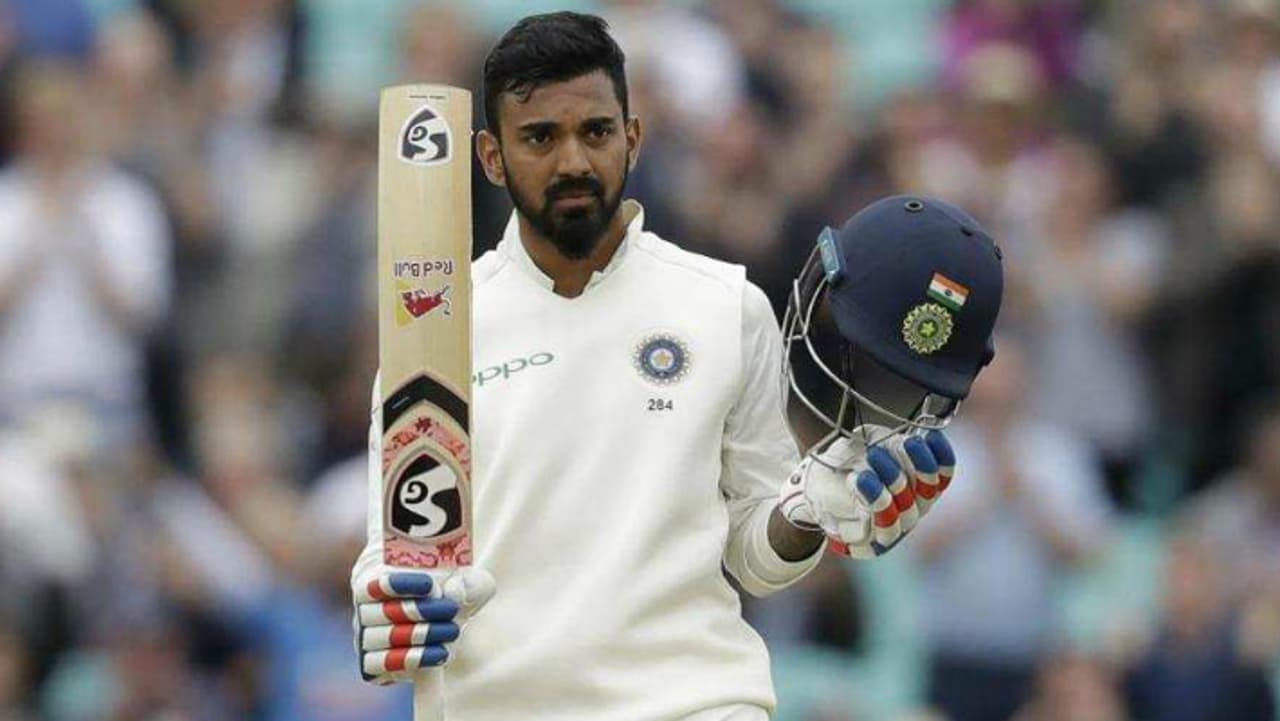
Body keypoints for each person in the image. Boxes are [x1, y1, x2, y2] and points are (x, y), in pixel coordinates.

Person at [350, 12, 998, 721]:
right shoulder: (438, 327)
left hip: (694, 702)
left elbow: (757, 555)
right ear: (491, 156)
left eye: (596, 132)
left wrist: (810, 510)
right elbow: (401, 551)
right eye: (540, 137)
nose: (573, 162)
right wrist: (386, 607)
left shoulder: (725, 305)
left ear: (632, 137)